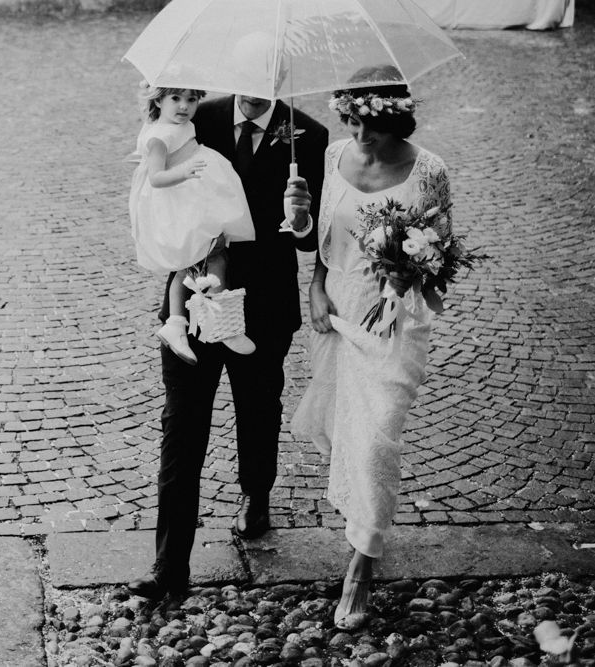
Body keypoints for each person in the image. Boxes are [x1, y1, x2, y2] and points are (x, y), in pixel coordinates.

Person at [127, 90, 328, 600]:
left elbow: (310, 239)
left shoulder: (308, 133)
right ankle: (170, 563)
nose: (254, 90)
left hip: (263, 304)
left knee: (258, 407)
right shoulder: (200, 116)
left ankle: (255, 492)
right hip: (195, 295)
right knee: (182, 425)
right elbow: (160, 185)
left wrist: (300, 216)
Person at [291, 69, 452, 629]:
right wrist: (313, 287)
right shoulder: (334, 155)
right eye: (351, 122)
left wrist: (400, 285)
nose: (359, 136)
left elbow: (439, 257)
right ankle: (363, 524)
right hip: (336, 313)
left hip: (395, 323)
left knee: (378, 436)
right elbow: (323, 244)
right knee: (347, 433)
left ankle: (360, 568)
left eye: (371, 126)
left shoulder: (430, 170)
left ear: (396, 120)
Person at [128, 83, 257, 365]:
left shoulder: (178, 124)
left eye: (191, 99)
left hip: (196, 193)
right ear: (158, 100)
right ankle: (222, 324)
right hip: (180, 198)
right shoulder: (159, 136)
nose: (184, 106)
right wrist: (183, 172)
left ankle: (176, 322)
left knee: (197, 260)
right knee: (209, 257)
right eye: (175, 98)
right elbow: (156, 177)